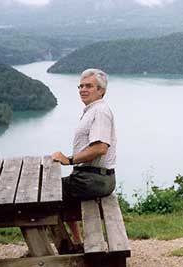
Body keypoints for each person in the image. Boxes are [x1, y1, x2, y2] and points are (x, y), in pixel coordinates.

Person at [51, 68, 117, 247]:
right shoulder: (92, 110)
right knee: (59, 192)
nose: (83, 89)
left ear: (101, 90)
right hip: (96, 178)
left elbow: (101, 147)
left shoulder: (100, 112)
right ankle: (77, 241)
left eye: (89, 86)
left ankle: (64, 247)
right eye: (80, 86)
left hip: (93, 179)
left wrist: (69, 160)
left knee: (45, 193)